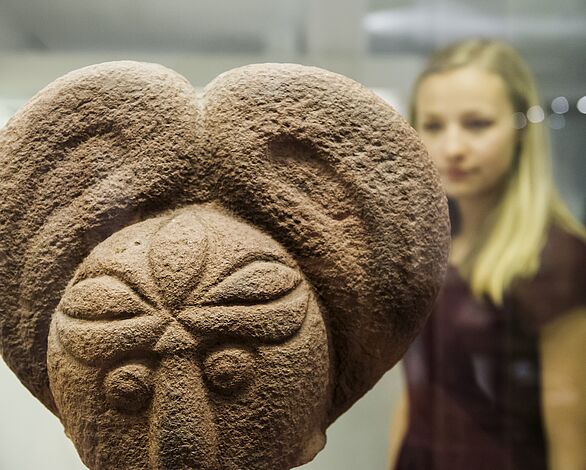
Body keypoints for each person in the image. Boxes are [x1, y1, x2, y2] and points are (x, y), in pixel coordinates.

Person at [388, 39, 586, 470]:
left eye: (477, 124)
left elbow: (571, 434)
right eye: (434, 126)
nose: (453, 147)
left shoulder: (559, 259)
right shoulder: (427, 247)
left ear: (519, 129)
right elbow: (416, 396)